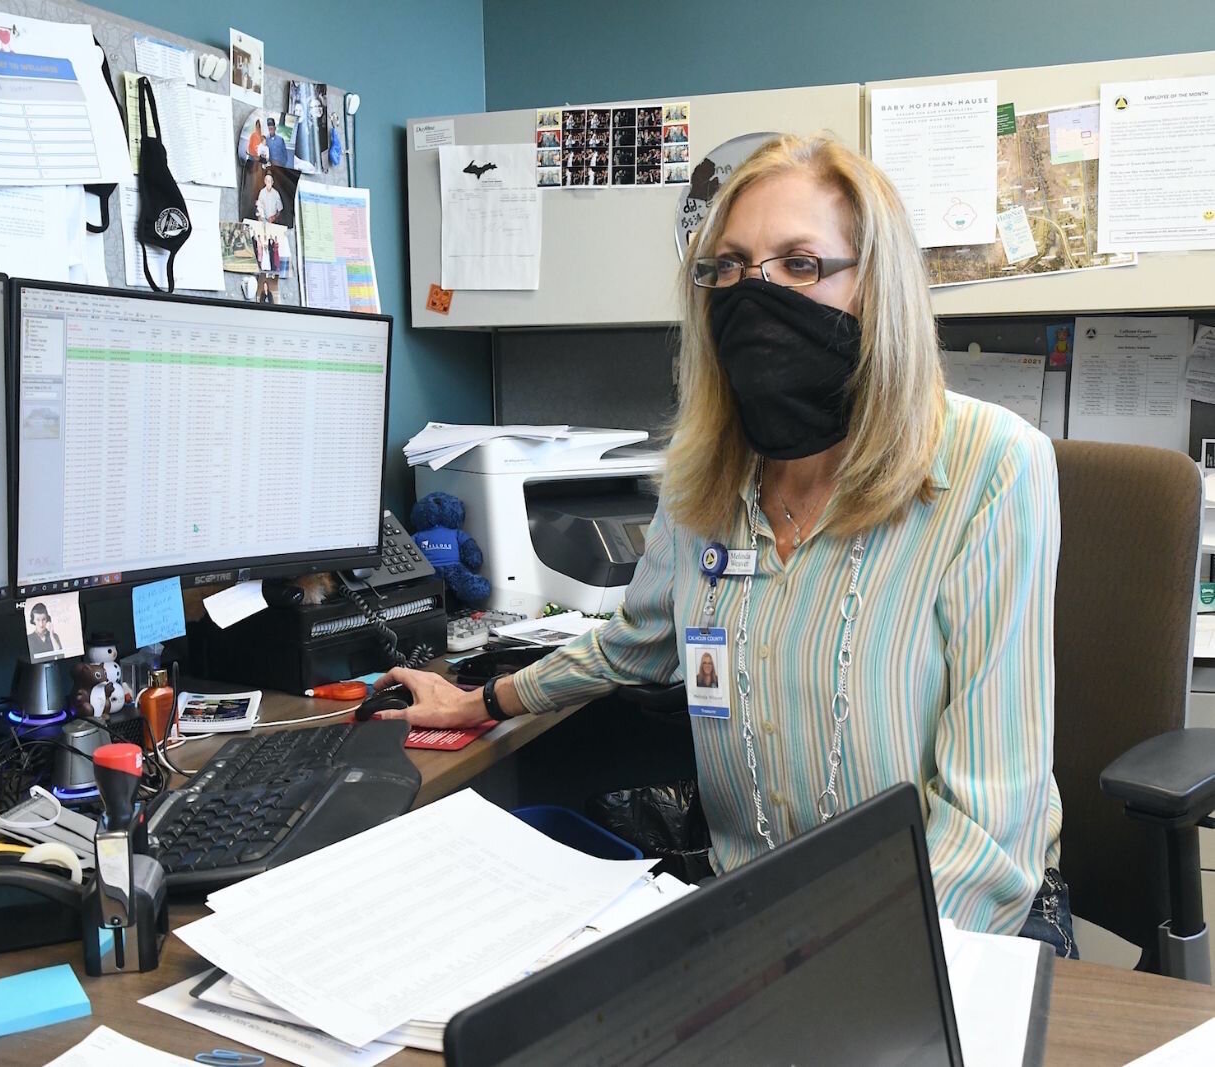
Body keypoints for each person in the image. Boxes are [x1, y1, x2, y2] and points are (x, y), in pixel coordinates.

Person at [375, 134, 1071, 956]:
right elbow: (637, 641)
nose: (757, 294)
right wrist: (480, 702)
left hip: (938, 926)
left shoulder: (989, 467)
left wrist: (864, 972)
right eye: (730, 268)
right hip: (755, 918)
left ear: (877, 287)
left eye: (800, 264)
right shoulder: (703, 478)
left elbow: (990, 825)